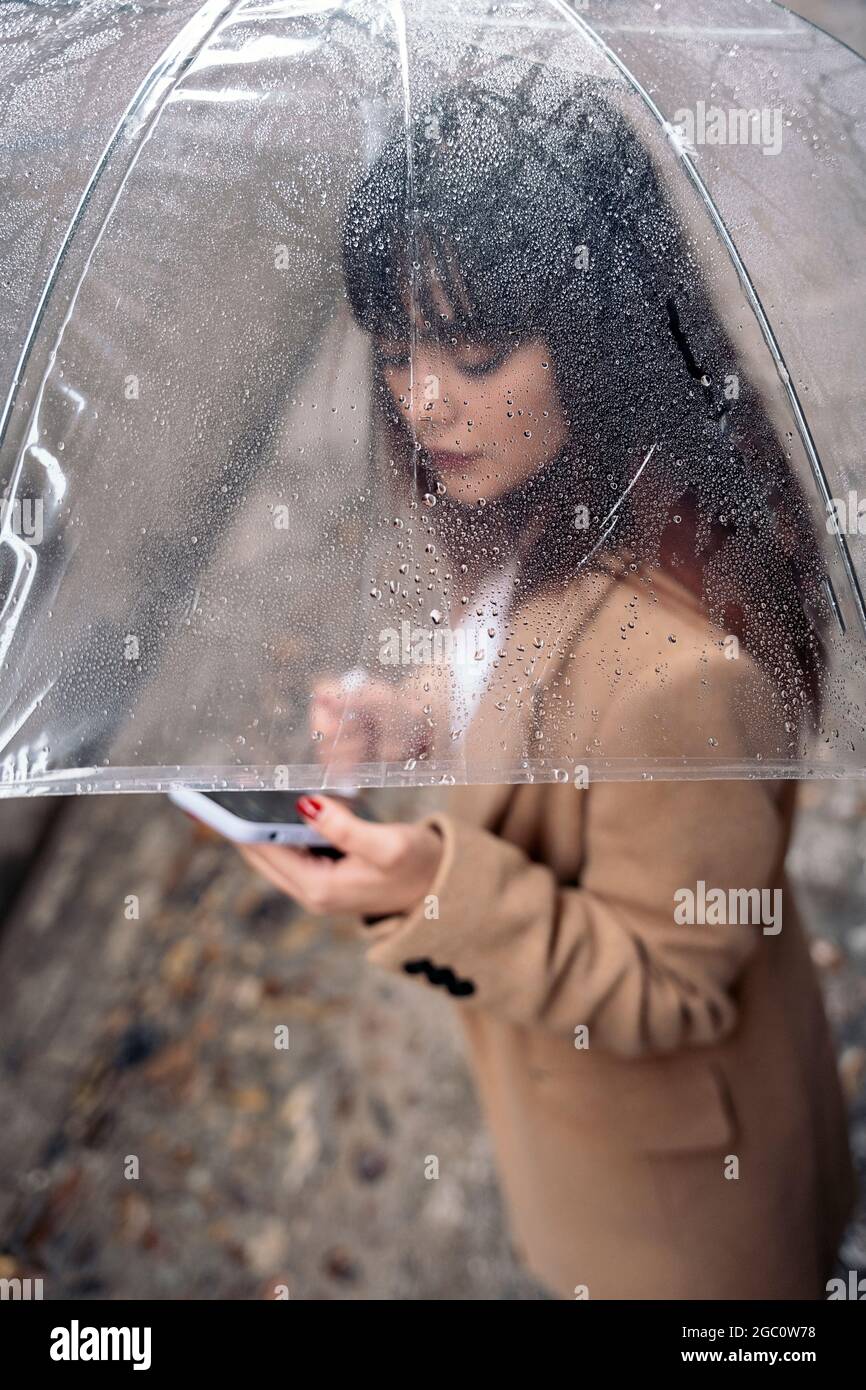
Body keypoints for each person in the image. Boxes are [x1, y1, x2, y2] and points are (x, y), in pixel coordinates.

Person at [237, 76, 857, 1299]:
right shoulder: (569, 490)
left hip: (675, 1204)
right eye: (400, 350)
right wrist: (418, 712)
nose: (422, 401)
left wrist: (438, 886)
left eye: (472, 353)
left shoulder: (681, 675)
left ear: (601, 330)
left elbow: (671, 984)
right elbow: (528, 667)